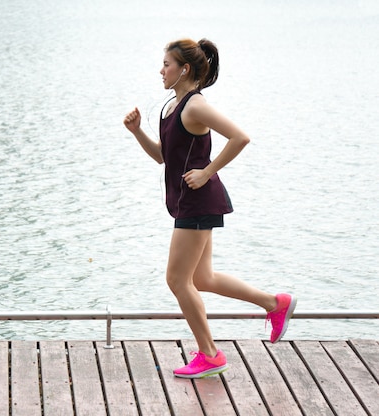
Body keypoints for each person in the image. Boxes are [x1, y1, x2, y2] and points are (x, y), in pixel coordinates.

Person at [123, 38, 296, 378]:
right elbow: (163, 156)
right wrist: (136, 132)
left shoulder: (195, 106)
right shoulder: (171, 107)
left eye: (167, 64)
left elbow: (239, 137)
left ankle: (210, 354)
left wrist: (207, 172)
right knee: (202, 278)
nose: (161, 70)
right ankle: (275, 304)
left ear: (184, 68)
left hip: (198, 202)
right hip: (188, 203)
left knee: (177, 279)